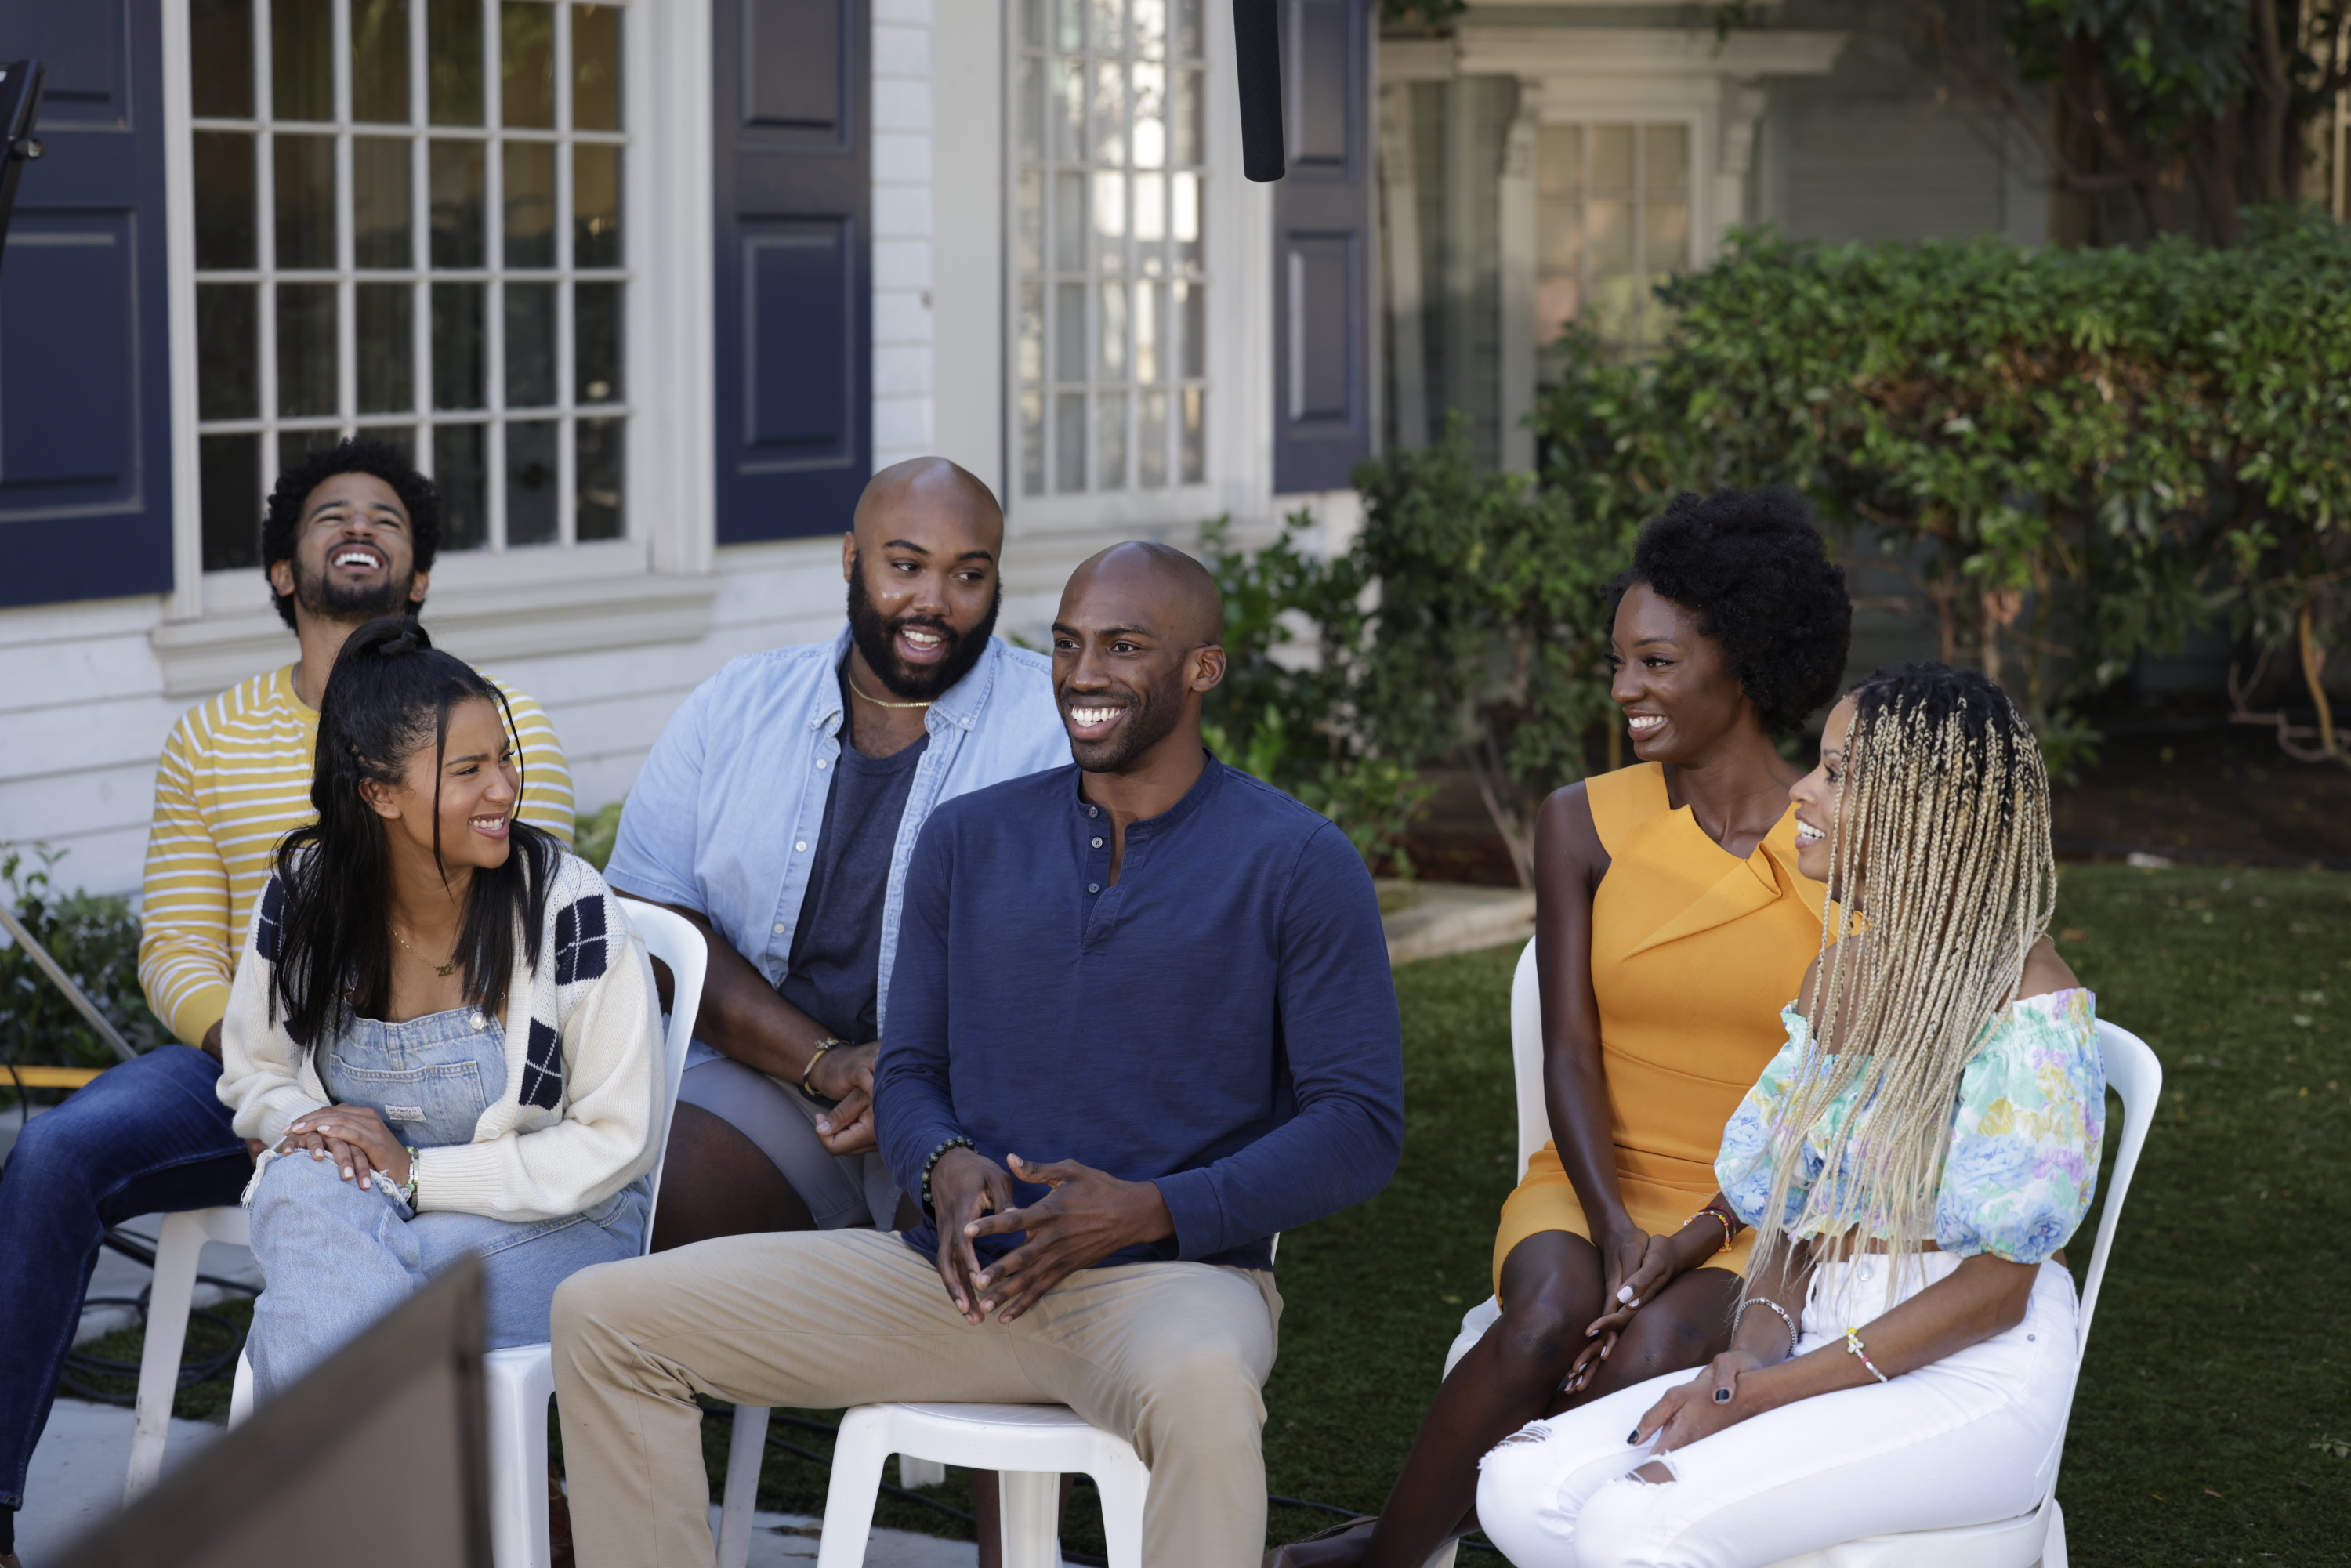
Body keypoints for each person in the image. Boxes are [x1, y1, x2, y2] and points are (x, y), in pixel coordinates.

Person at [550, 542, 1406, 1568]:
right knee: (605, 1319)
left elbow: (1359, 1126)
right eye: (1068, 644)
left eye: (1124, 647)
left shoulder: (1300, 861)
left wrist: (1154, 1207)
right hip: (949, 1281)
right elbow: (909, 1069)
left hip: (1169, 1285)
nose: (1084, 673)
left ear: (1201, 670)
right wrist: (941, 1165)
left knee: (1206, 1394)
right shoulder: (967, 839)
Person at [0, 440, 570, 1568]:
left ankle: (499, 1495)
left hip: (452, 1072)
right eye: (329, 514)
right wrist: (279, 1078)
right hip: (245, 1067)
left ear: (418, 579)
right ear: (280, 570)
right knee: (57, 1155)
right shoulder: (209, 738)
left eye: (387, 518)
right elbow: (173, 953)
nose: (359, 524)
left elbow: (532, 934)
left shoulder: (501, 721)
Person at [1274, 489, 1852, 1566]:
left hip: (1752, 1204)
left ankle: (1437, 1528)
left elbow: (1836, 1096)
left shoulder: (1836, 845)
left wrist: (1674, 1254)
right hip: (1591, 1171)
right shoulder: (1580, 819)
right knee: (1547, 1316)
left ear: (1747, 663)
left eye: (1658, 664)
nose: (1627, 690)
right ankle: (1395, 1554)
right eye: (1619, 662)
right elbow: (1569, 1049)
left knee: (1653, 1347)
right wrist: (1616, 1231)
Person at [1475, 663, 2100, 1567]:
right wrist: (1757, 1351)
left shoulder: (2027, 1008)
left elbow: (1994, 1292)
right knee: (1520, 1489)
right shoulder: (1840, 978)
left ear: (1925, 813)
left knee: (1633, 1524)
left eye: (1840, 774)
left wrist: (1769, 1392)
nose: (1802, 791)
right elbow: (1797, 1218)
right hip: (1812, 1331)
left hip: (1966, 1367)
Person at [601, 456, 1066, 1248]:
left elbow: (1086, 959)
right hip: (777, 1078)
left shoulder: (1051, 731)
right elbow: (649, 922)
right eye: (906, 565)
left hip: (980, 1100)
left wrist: (919, 1091)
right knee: (656, 1195)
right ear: (853, 559)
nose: (933, 601)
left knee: (975, 1256)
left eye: (968, 575)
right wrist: (829, 1063)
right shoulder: (736, 707)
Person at [219, 618, 660, 1397]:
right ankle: (399, 1509)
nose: (503, 790)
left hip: (561, 1226)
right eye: (468, 771)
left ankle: (329, 1505)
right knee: (306, 1194)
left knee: (323, 1280)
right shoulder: (306, 898)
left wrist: (417, 1174)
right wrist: (310, 1131)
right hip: (362, 1209)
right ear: (380, 793)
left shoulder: (566, 908)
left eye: (504, 760)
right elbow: (255, 1072)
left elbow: (615, 1143)